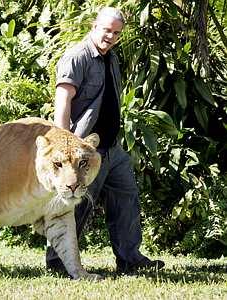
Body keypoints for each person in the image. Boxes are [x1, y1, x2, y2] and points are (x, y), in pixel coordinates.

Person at [46, 7, 165, 275]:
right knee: (77, 205)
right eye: (106, 30)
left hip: (112, 147)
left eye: (116, 33)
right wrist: (65, 148)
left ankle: (129, 258)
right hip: (82, 149)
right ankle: (58, 262)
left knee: (126, 197)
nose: (110, 36)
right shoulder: (77, 57)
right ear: (94, 26)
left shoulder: (110, 58)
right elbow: (63, 101)